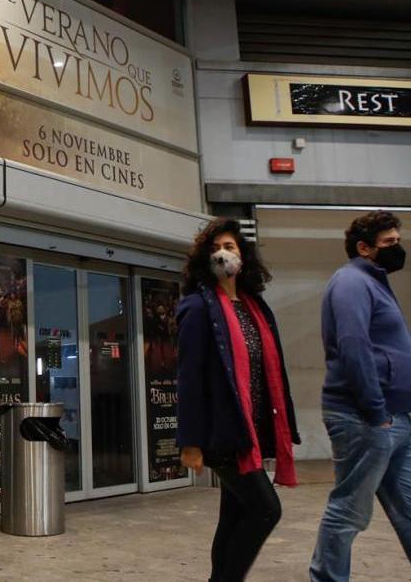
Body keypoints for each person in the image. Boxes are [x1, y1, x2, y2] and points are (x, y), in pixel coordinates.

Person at [309, 212, 411, 582]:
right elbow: (353, 346)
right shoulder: (351, 281)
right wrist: (375, 409)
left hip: (396, 420)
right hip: (365, 419)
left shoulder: (374, 282)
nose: (398, 249)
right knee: (349, 511)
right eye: (390, 244)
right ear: (364, 248)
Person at [176, 217, 300, 582]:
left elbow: (269, 371)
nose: (223, 254)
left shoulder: (254, 308)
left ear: (243, 257)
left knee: (234, 514)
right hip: (222, 433)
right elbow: (189, 379)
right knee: (265, 510)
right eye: (215, 249)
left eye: (230, 247)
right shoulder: (198, 309)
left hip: (250, 430)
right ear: (205, 260)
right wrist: (191, 442)